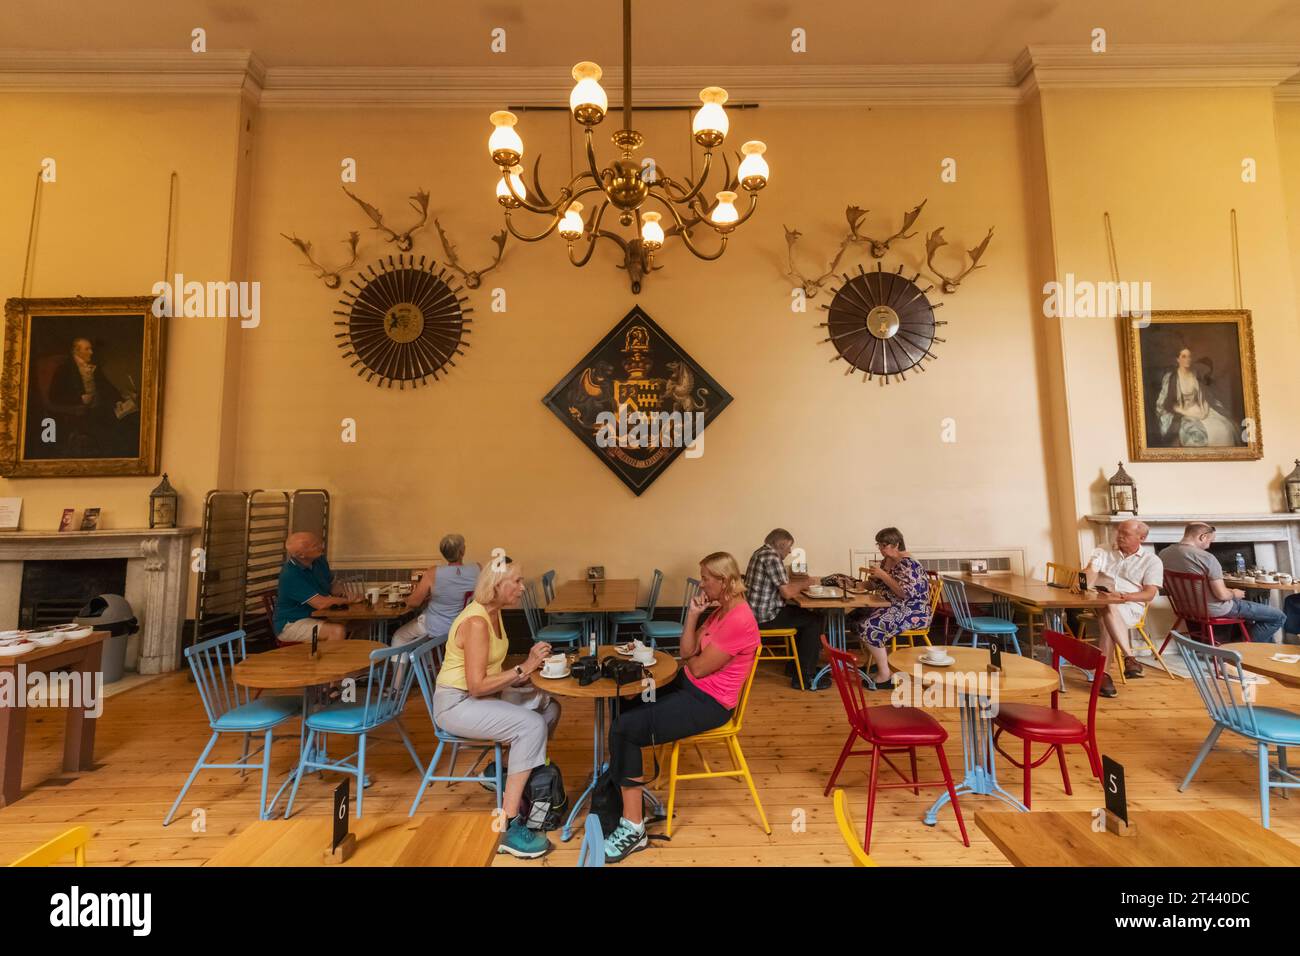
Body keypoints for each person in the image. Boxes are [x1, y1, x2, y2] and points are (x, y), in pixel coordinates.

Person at [602, 551, 761, 863]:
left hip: (708, 703)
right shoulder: (719, 612)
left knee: (624, 730)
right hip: (688, 684)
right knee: (626, 697)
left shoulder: (740, 619)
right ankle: (623, 778)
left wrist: (690, 659)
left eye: (705, 579)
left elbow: (699, 668)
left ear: (724, 581)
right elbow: (686, 651)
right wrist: (692, 616)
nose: (701, 585)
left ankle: (634, 828)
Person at [432, 558, 561, 859]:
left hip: (479, 698)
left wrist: (521, 678)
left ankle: (505, 771)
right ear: (496, 585)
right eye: (516, 582)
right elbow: (476, 685)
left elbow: (490, 671)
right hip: (457, 704)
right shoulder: (476, 622)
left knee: (549, 707)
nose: (522, 587)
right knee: (531, 725)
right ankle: (509, 825)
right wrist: (523, 668)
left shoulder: (494, 613)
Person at [1160, 521, 1285, 643]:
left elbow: (1200, 587)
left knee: (1252, 615)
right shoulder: (1206, 558)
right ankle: (1237, 648)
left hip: (1186, 609)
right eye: (1210, 540)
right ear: (1202, 537)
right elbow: (1222, 595)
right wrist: (1234, 593)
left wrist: (1228, 592)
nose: (1209, 545)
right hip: (1215, 609)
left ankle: (1239, 646)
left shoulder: (1164, 554)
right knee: (1278, 616)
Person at [1084, 519, 1163, 698]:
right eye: (1118, 532)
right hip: (1098, 601)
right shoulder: (1103, 550)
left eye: (1125, 534)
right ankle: (1130, 659)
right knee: (1107, 605)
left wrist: (1123, 597)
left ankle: (1103, 675)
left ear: (1141, 537)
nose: (1119, 537)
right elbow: (1091, 573)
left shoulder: (1152, 561)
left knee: (1107, 618)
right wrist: (1087, 575)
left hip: (1130, 606)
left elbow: (1149, 594)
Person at [846, 528, 931, 690]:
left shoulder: (908, 563)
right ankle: (876, 663)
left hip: (912, 611)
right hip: (890, 605)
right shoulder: (887, 561)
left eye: (883, 545)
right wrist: (858, 585)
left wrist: (883, 575)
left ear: (896, 544)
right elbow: (876, 584)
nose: (880, 549)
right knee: (854, 618)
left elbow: (903, 593)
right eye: (879, 545)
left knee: (868, 626)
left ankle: (885, 675)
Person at [743, 528, 821, 689]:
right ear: (780, 544)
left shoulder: (760, 552)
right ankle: (803, 677)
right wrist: (807, 583)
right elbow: (786, 592)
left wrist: (797, 584)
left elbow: (782, 585)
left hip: (754, 613)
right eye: (788, 547)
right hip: (766, 616)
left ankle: (797, 667)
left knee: (806, 617)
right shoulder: (772, 557)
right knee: (814, 620)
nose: (790, 551)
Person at [391, 533, 480, 647]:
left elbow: (415, 602)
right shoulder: (477, 569)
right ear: (463, 551)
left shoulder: (432, 572)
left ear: (444, 553)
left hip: (435, 627)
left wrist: (406, 600)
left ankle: (402, 664)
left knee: (399, 636)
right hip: (462, 626)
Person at [272, 532, 362, 642]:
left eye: (318, 543)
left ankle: (354, 656)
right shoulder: (290, 574)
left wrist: (346, 593)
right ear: (301, 555)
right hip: (292, 623)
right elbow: (320, 603)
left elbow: (332, 585)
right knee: (337, 631)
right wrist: (347, 600)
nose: (321, 546)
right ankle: (332, 659)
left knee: (361, 622)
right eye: (315, 546)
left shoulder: (319, 560)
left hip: (316, 616)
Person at [1155, 346, 1237, 447]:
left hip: (1198, 408)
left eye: (1189, 356)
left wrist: (1204, 412)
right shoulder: (1172, 377)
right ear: (1178, 359)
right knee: (1196, 435)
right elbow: (1169, 404)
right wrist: (1186, 412)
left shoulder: (1196, 374)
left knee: (1225, 428)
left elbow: (1204, 396)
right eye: (1184, 356)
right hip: (1181, 410)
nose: (1187, 359)